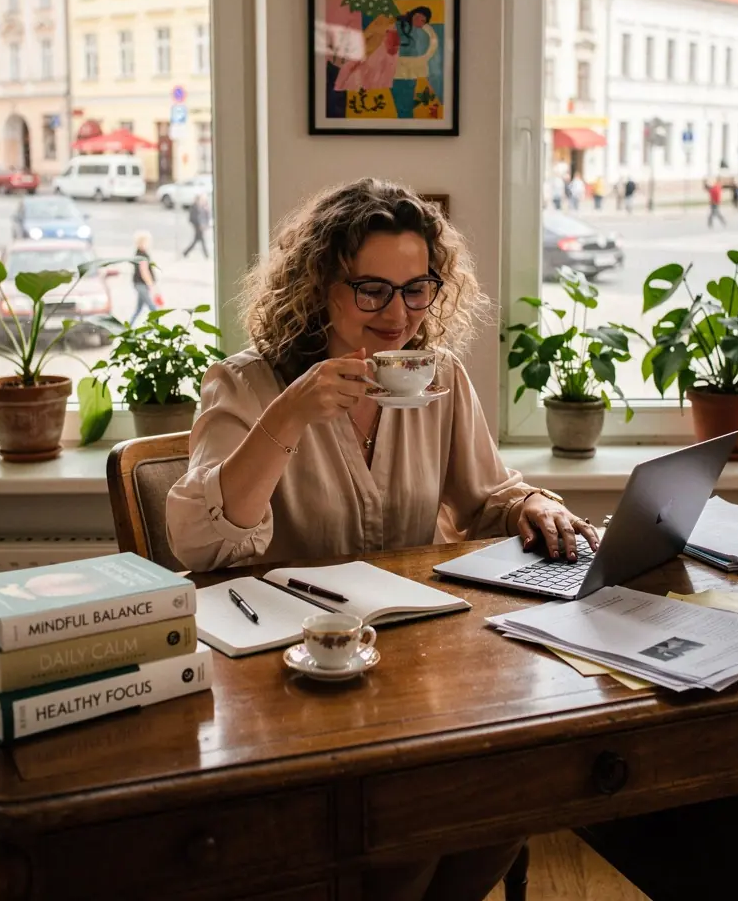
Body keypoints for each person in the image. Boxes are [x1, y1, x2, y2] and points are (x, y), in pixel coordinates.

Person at [166, 179, 599, 901]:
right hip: (295, 682)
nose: (398, 314)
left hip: (422, 672)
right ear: (319, 285)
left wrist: (535, 502)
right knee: (410, 840)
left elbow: (488, 497)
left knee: (506, 809)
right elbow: (202, 546)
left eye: (417, 288)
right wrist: (290, 415)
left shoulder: (439, 379)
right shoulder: (247, 385)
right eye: (371, 290)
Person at [129, 232, 157, 325]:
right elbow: (144, 271)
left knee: (139, 309)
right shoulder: (142, 255)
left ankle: (129, 326)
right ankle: (155, 327)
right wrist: (151, 284)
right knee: (153, 308)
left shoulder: (138, 253)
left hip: (139, 283)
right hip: (141, 284)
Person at [183, 193, 210, 259]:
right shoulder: (194, 207)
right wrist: (199, 225)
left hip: (198, 225)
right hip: (197, 226)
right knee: (200, 240)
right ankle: (206, 255)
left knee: (197, 240)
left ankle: (186, 252)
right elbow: (194, 217)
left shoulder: (199, 206)